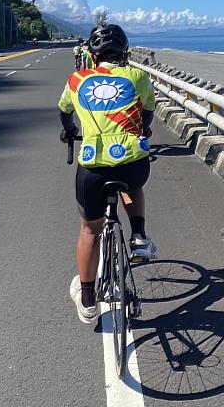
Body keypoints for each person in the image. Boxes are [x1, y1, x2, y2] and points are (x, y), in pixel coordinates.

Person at [58, 24, 157, 324]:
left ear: (91, 54)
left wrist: (70, 132)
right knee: (133, 186)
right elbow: (147, 114)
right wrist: (143, 130)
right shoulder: (138, 76)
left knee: (90, 229)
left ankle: (88, 300)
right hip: (133, 163)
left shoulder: (77, 79)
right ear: (125, 54)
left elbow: (64, 111)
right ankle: (138, 236)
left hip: (93, 167)